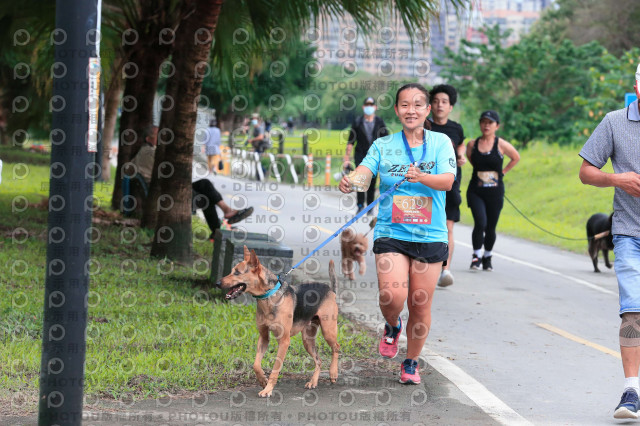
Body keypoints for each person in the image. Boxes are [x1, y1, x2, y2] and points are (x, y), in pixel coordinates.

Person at [339, 83, 456, 384]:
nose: (411, 110)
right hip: (392, 231)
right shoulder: (383, 145)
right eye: (405, 105)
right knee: (392, 295)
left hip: (430, 235)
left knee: (419, 303)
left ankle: (411, 363)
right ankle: (392, 325)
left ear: (428, 109)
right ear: (397, 110)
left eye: (418, 104)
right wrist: (351, 181)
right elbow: (365, 173)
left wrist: (422, 176)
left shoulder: (441, 142)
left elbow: (447, 181)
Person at [578, 65, 640, 420]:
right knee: (633, 310)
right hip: (629, 233)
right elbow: (586, 172)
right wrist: (618, 179)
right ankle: (631, 390)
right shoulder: (615, 121)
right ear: (636, 86)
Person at [465, 110, 519, 271]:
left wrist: (503, 172)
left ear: (497, 126)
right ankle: (476, 256)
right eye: (483, 122)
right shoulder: (472, 144)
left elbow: (516, 157)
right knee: (480, 222)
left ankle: (487, 256)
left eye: (490, 123)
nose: (486, 125)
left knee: (490, 226)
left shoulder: (501, 144)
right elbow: (471, 159)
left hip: (495, 192)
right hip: (476, 190)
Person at [428, 84, 466, 287]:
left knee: (447, 228)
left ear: (450, 106)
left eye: (444, 102)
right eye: (435, 101)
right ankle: (423, 266)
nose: (439, 105)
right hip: (425, 185)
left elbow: (461, 148)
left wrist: (461, 156)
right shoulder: (424, 126)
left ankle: (445, 270)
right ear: (430, 105)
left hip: (450, 184)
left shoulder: (456, 128)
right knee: (425, 226)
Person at [344, 96, 390, 214]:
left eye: (371, 105)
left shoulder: (380, 122)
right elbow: (351, 141)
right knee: (360, 180)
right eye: (367, 105)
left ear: (375, 107)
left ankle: (370, 206)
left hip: (376, 155)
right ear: (363, 107)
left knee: (372, 181)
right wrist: (346, 159)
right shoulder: (357, 122)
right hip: (360, 154)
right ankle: (360, 205)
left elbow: (386, 140)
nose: (369, 108)